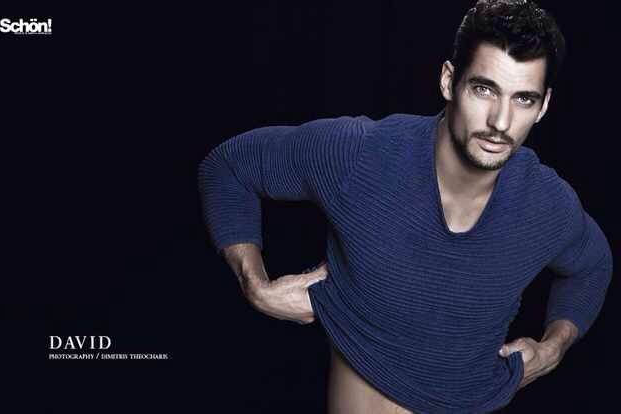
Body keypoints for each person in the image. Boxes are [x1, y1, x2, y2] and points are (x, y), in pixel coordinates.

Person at [197, 1, 613, 413]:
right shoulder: (361, 156)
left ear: (543, 106)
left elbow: (593, 265)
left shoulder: (546, 204)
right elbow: (229, 166)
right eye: (484, 89)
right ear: (449, 81)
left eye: (523, 99)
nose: (500, 122)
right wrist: (256, 285)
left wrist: (554, 346)